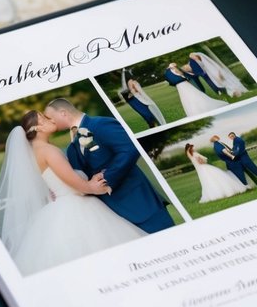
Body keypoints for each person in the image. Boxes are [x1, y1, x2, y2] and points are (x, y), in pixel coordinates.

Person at [0, 111, 145, 275]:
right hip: (74, 205)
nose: (52, 120)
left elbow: (53, 181)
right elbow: (73, 183)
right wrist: (92, 186)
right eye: (46, 118)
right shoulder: (48, 150)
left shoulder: (34, 153)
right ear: (39, 127)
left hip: (59, 204)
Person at [44, 98, 174, 233]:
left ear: (63, 113)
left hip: (139, 203)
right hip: (110, 214)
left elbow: (129, 149)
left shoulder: (101, 124)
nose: (49, 121)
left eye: (50, 118)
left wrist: (107, 179)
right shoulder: (72, 146)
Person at [185, 142, 249, 203]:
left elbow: (194, 158)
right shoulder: (195, 154)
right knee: (216, 178)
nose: (193, 148)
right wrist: (202, 160)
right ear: (190, 148)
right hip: (204, 168)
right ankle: (224, 191)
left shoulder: (190, 156)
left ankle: (214, 194)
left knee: (208, 181)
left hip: (200, 171)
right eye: (192, 147)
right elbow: (203, 160)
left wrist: (188, 151)